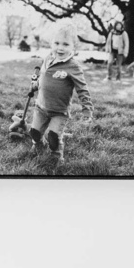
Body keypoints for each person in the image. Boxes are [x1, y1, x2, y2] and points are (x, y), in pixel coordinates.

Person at [28, 22, 94, 165]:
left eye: (65, 44)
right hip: (41, 107)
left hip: (59, 111)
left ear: (73, 47)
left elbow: (82, 88)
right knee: (34, 131)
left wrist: (87, 110)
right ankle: (38, 145)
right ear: (52, 43)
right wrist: (36, 85)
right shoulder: (48, 58)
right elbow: (43, 78)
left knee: (54, 136)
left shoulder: (73, 66)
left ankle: (56, 157)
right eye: (57, 43)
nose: (60, 48)